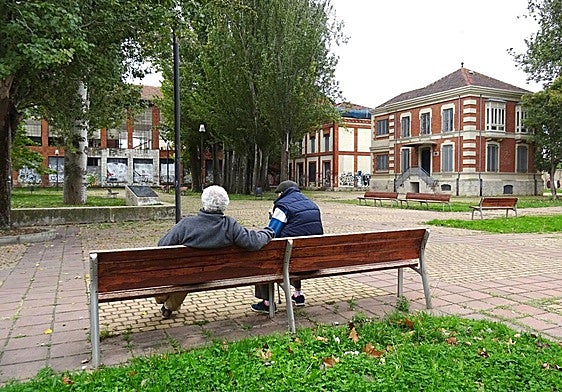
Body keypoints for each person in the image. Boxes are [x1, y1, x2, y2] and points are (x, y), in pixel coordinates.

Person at [156, 185, 275, 319]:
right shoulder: (230, 225)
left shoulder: (186, 224)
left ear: (203, 201)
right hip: (216, 274)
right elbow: (253, 242)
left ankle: (162, 299)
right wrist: (268, 231)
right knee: (189, 276)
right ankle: (168, 306)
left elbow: (162, 245)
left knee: (186, 275)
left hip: (189, 273)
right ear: (225, 204)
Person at [251, 180, 324, 313]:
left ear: (282, 193)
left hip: (290, 261)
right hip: (311, 260)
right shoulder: (312, 204)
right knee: (297, 253)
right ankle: (298, 294)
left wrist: (272, 216)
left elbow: (272, 232)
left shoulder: (283, 207)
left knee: (264, 256)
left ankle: (267, 302)